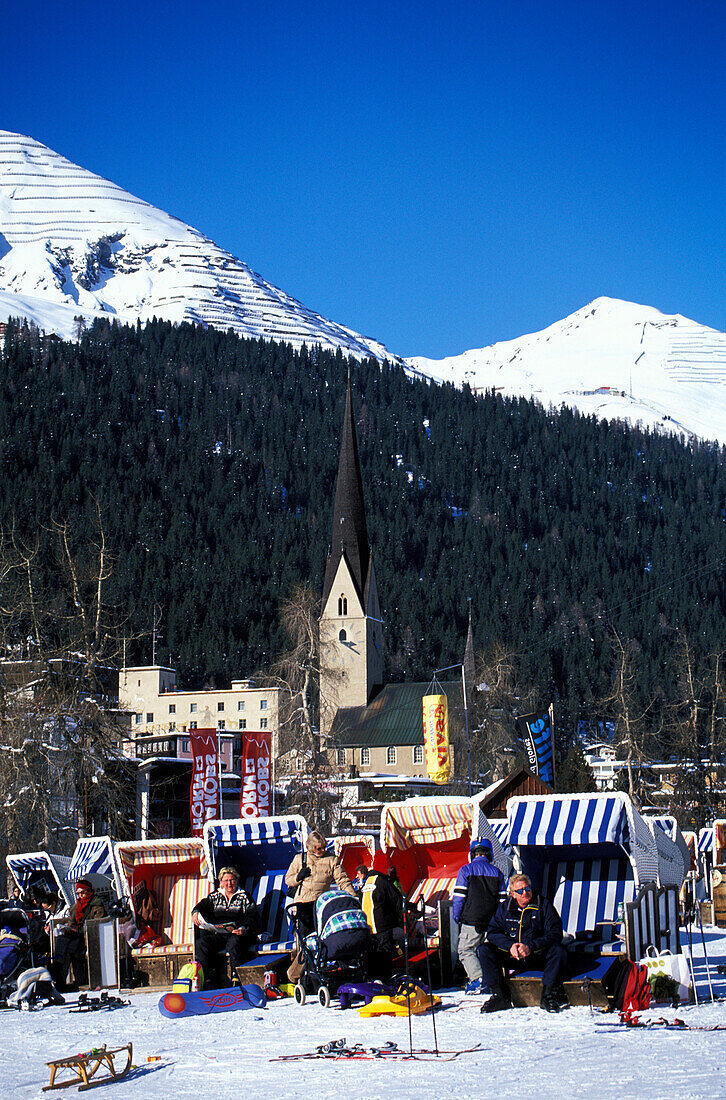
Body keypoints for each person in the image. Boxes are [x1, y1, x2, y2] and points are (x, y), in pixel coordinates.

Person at [478, 872, 569, 1013]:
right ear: (513, 894)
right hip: (513, 956)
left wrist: (531, 947)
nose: (525, 893)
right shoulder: (504, 908)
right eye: (520, 891)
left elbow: (555, 933)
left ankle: (548, 995)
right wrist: (509, 946)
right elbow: (493, 932)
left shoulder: (543, 905)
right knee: (484, 950)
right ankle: (499, 996)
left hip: (536, 955)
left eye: (527, 889)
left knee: (558, 950)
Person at [284, 830, 355, 982]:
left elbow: (342, 880)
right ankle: (299, 975)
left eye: (324, 847)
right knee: (305, 942)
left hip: (321, 904)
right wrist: (298, 876)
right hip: (302, 904)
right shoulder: (300, 859)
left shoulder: (332, 860)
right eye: (318, 848)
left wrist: (352, 898)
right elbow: (288, 880)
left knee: (322, 941)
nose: (322, 851)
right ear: (310, 848)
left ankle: (321, 973)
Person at [452, 837, 508, 995]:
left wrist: (457, 915)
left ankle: (478, 979)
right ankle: (493, 981)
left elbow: (459, 897)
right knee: (488, 951)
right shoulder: (498, 873)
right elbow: (503, 900)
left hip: (471, 920)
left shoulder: (465, 870)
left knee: (465, 950)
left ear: (473, 853)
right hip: (492, 921)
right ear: (489, 854)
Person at [192, 866, 258, 986]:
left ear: (237, 880)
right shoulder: (215, 896)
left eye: (232, 880)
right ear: (221, 882)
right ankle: (207, 978)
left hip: (238, 934)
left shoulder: (244, 897)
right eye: (226, 880)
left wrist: (244, 928)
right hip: (220, 934)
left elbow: (252, 916)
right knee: (202, 943)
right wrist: (195, 912)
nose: (229, 884)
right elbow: (202, 905)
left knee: (234, 943)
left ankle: (235, 978)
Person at [51, 879, 106, 990]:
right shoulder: (76, 907)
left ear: (89, 892)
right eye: (79, 893)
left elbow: (97, 924)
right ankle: (60, 980)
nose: (81, 896)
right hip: (76, 937)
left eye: (83, 893)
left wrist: (80, 929)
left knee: (65, 945)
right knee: (63, 943)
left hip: (90, 937)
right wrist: (70, 928)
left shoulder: (96, 905)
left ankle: (59, 980)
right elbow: (73, 922)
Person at [360, 851, 405, 964]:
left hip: (368, 928)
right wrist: (414, 908)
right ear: (384, 867)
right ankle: (385, 978)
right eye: (390, 868)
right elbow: (399, 901)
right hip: (383, 928)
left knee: (373, 959)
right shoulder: (384, 883)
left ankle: (373, 980)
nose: (391, 871)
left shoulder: (367, 883)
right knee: (385, 959)